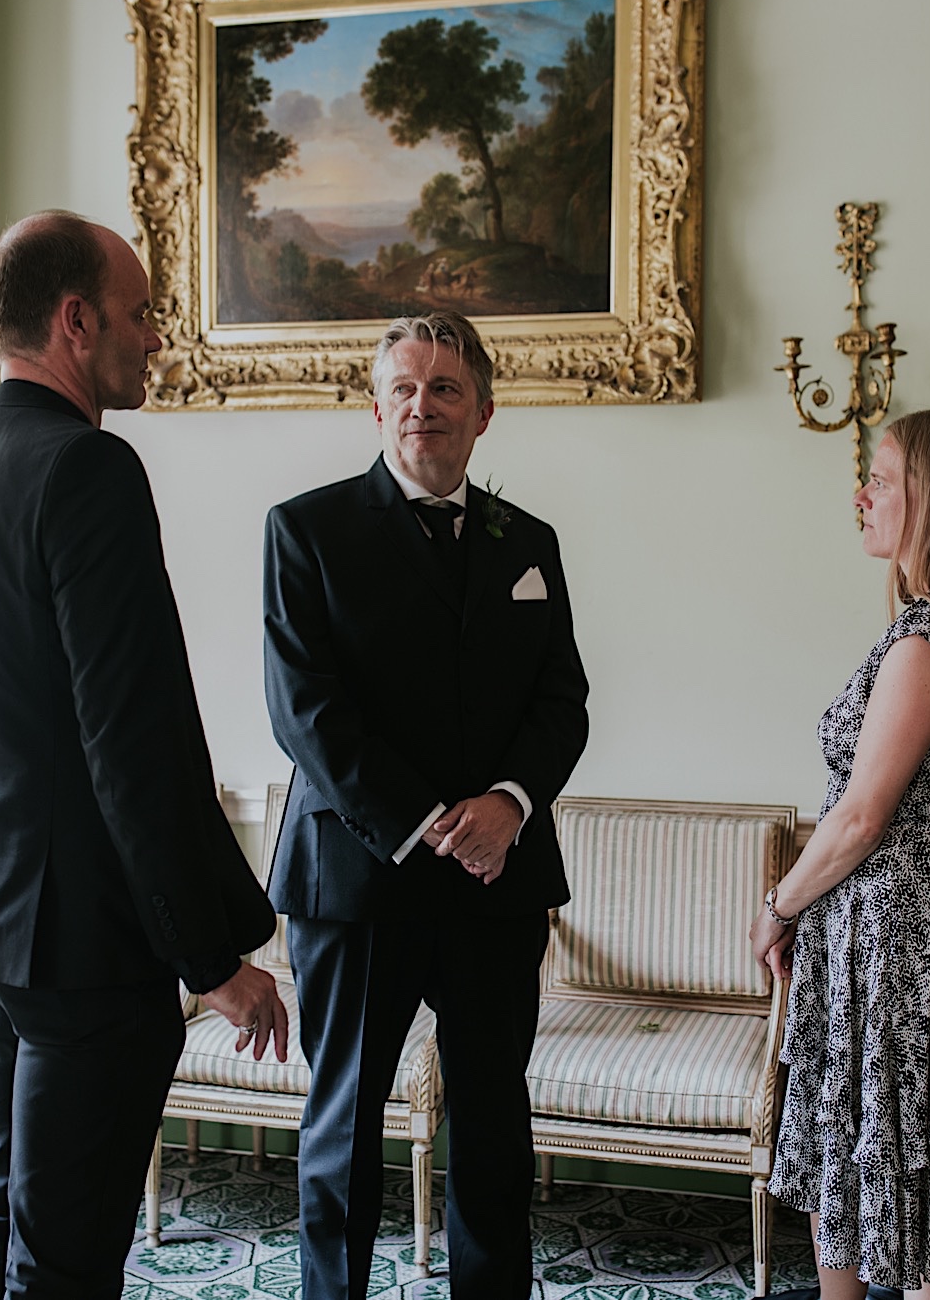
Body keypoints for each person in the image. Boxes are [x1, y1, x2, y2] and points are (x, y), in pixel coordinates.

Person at [0, 210, 289, 1300]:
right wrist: (211, 961)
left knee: (6, 1205)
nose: (155, 335)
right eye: (140, 312)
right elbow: (134, 738)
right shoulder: (89, 469)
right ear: (76, 321)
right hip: (85, 955)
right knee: (64, 1262)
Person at [262, 311, 589, 1300]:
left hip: (497, 879)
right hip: (357, 879)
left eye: (445, 387)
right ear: (376, 410)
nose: (423, 405)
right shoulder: (305, 531)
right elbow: (306, 713)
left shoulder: (528, 542)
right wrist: (427, 824)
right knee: (342, 1126)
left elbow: (561, 699)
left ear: (483, 411)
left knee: (493, 1127)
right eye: (403, 388)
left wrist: (508, 804)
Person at [750, 409, 930, 1300]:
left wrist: (778, 905)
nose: (861, 495)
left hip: (892, 937)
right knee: (916, 1158)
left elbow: (862, 817)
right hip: (923, 924)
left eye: (880, 478)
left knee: (887, 1151)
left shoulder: (926, 640)